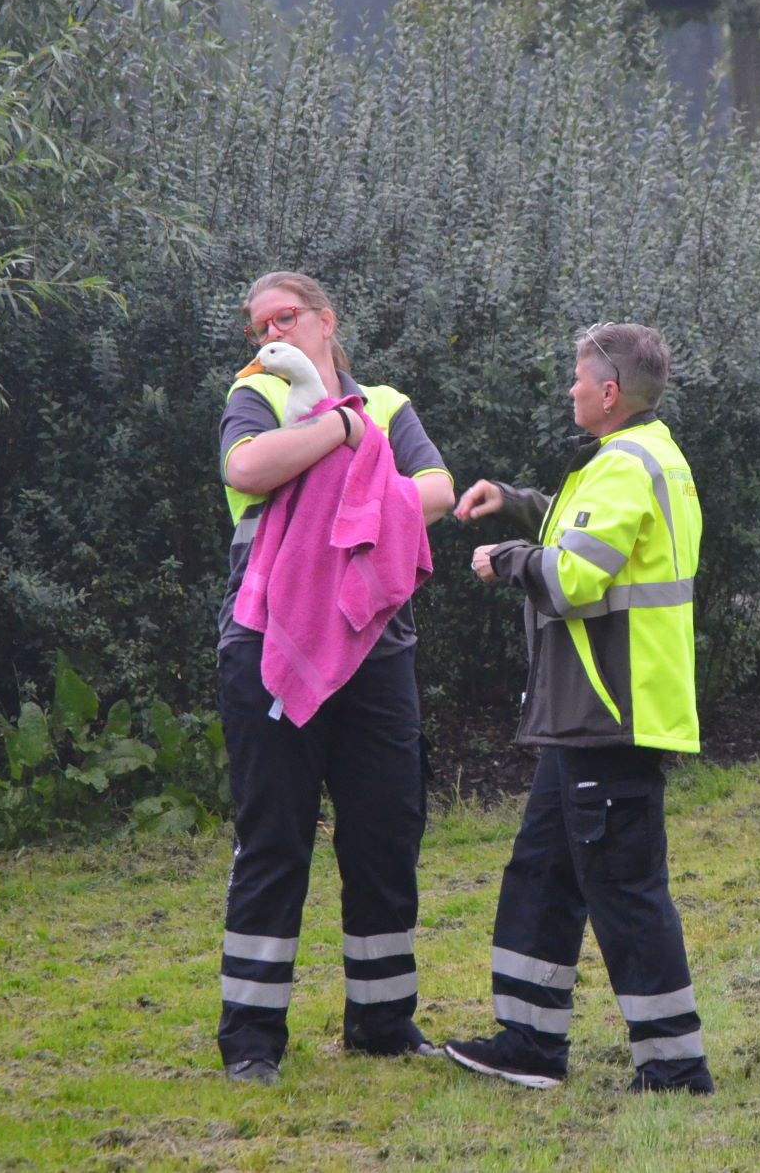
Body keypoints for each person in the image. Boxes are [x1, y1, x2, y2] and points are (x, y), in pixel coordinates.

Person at [443, 323, 715, 1095]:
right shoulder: (633, 456)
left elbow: (573, 580)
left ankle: (674, 1066)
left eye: (576, 377)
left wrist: (507, 560)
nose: (568, 388)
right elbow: (587, 531)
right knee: (542, 872)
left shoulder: (627, 464)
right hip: (588, 716)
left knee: (624, 888)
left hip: (609, 714)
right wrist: (519, 504)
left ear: (607, 391)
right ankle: (529, 1041)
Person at [214, 271, 456, 1087]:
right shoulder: (257, 391)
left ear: (326, 319)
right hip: (268, 642)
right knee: (274, 838)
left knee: (385, 834)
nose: (268, 334)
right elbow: (249, 469)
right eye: (257, 325)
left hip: (377, 647)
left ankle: (383, 1023)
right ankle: (251, 1040)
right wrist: (339, 435)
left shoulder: (387, 402)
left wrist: (353, 456)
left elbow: (437, 491)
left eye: (283, 317)